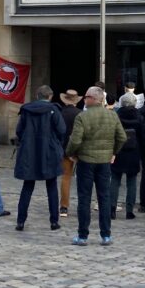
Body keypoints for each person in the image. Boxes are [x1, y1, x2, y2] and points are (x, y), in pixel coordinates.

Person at [65, 86, 126, 246]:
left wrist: (70, 153)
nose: (84, 100)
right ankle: (106, 235)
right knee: (104, 197)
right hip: (104, 162)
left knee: (84, 198)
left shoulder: (82, 117)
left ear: (92, 98)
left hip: (86, 161)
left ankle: (83, 235)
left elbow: (76, 140)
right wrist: (113, 152)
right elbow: (122, 137)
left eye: (85, 97)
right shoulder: (112, 116)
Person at [14, 85, 66, 231]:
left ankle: (20, 221)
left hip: (29, 151)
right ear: (49, 96)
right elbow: (62, 130)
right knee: (51, 187)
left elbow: (19, 131)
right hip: (49, 151)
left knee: (27, 186)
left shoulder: (26, 110)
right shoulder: (53, 110)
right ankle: (54, 221)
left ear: (37, 95)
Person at [112, 93, 142, 220]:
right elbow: (142, 135)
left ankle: (111, 208)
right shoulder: (139, 116)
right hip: (134, 151)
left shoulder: (116, 116)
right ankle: (129, 210)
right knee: (132, 182)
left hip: (118, 150)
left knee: (114, 180)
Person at [56, 89, 82, 217]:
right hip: (79, 150)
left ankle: (64, 206)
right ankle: (83, 204)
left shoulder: (59, 113)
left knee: (66, 177)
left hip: (64, 148)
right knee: (84, 178)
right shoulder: (80, 113)